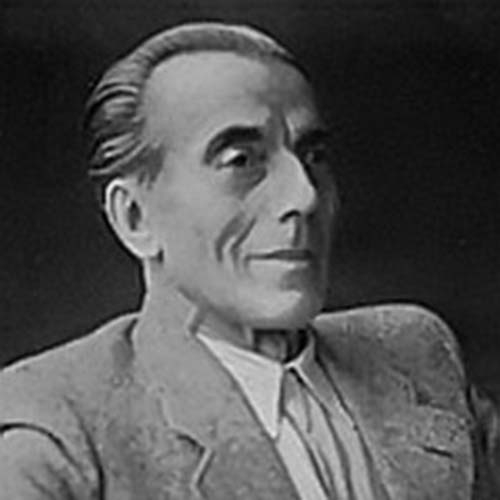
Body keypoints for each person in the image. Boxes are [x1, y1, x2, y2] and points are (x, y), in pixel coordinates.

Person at [0, 21, 498, 500]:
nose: (304, 195)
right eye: (241, 161)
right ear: (135, 217)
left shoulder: (416, 350)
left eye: (314, 156)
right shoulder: (57, 429)